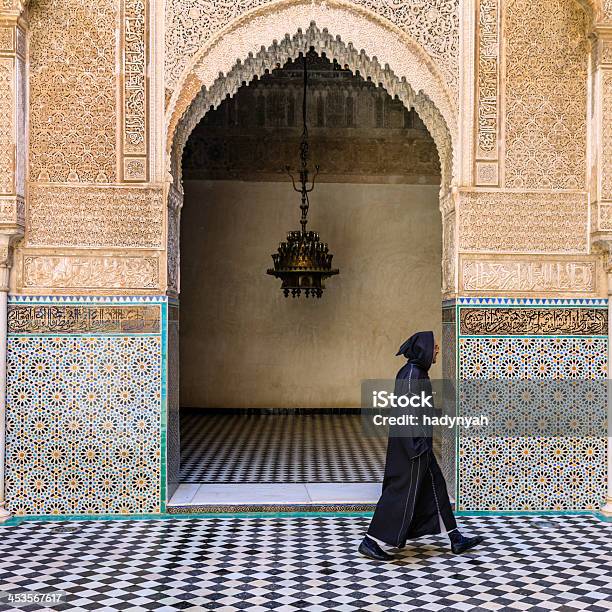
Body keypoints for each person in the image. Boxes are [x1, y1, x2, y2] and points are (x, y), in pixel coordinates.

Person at [359, 330, 484, 560]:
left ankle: (455, 538)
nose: (437, 350)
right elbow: (406, 415)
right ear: (424, 349)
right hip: (411, 450)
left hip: (419, 448)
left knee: (436, 487)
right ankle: (370, 541)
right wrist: (416, 448)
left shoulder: (417, 373)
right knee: (399, 493)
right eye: (435, 347)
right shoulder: (411, 377)